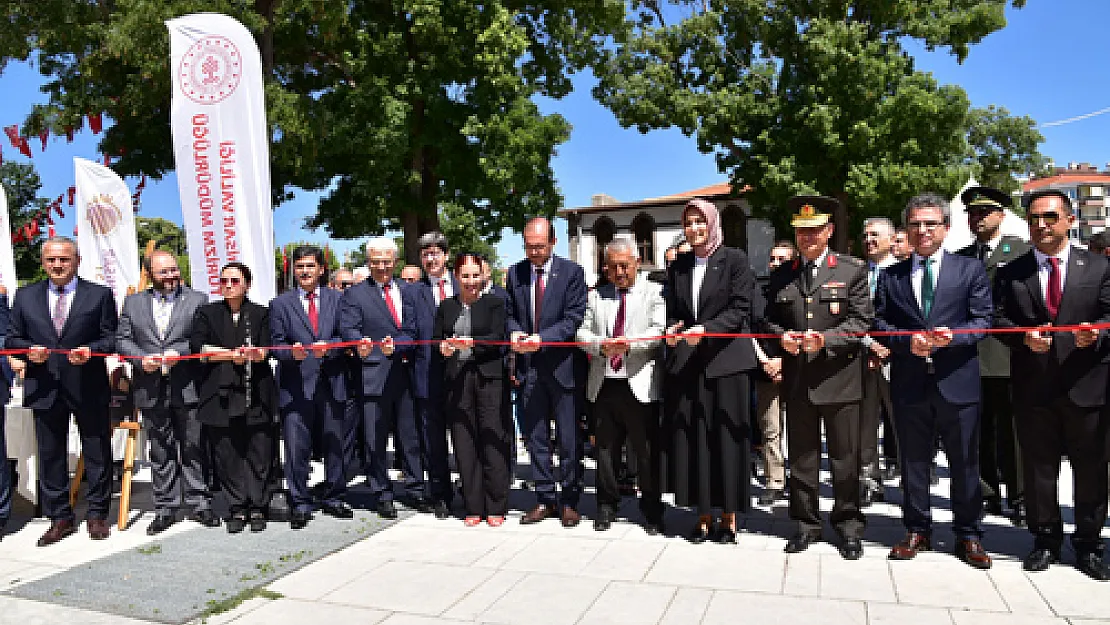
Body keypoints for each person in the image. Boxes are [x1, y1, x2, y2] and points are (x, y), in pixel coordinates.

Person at [993, 189, 1110, 581]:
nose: (1041, 225)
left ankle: (1090, 544)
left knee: (1091, 470)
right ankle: (1045, 539)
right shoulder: (1012, 271)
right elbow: (999, 320)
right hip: (1034, 388)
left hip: (1087, 386)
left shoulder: (1098, 267)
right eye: (1034, 219)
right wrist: (1023, 335)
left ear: (1070, 220)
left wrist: (1096, 334)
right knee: (1039, 470)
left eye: (1050, 217)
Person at [874, 193, 993, 570]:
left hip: (957, 380)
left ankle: (969, 534)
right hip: (910, 382)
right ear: (906, 229)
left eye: (930, 224)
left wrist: (952, 337)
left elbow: (982, 320)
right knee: (913, 461)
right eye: (915, 224)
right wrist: (905, 341)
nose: (923, 231)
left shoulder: (969, 269)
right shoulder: (892, 275)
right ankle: (916, 529)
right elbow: (879, 324)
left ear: (946, 227)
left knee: (965, 463)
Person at [763, 197, 870, 560]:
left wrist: (826, 340)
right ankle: (806, 524)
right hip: (799, 381)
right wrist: (781, 338)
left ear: (829, 231)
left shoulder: (852, 271)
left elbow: (860, 323)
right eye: (801, 230)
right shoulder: (783, 274)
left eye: (814, 230)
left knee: (845, 460)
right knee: (803, 460)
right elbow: (768, 321)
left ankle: (849, 526)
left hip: (840, 379)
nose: (807, 237)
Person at [8, 237, 117, 546]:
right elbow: (12, 339)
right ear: (44, 262)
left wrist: (90, 350)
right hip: (44, 386)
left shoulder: (99, 295)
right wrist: (29, 351)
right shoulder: (25, 296)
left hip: (88, 385)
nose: (57, 265)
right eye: (51, 260)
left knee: (97, 452)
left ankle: (97, 514)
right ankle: (60, 518)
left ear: (77, 261)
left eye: (64, 259)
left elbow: (112, 339)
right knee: (50, 455)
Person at [662, 198, 756, 544]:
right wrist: (673, 329)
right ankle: (702, 514)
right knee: (697, 437)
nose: (694, 229)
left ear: (713, 223)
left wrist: (707, 329)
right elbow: (674, 310)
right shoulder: (681, 265)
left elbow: (740, 309)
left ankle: (729, 517)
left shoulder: (735, 260)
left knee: (727, 439)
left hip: (728, 363)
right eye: (688, 223)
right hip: (691, 365)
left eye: (700, 221)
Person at [117, 250, 215, 534]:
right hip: (150, 387)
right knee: (160, 450)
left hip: (187, 386)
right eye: (164, 272)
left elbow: (200, 338)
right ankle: (166, 507)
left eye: (174, 270)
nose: (172, 275)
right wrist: (140, 358)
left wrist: (178, 352)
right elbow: (122, 339)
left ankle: (199, 502)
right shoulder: (133, 302)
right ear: (149, 274)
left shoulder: (197, 299)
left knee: (193, 446)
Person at [576, 238, 666, 534]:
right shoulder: (596, 296)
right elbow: (582, 333)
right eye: (613, 267)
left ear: (637, 262)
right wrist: (602, 346)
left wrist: (629, 346)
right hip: (604, 384)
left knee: (646, 451)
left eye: (625, 265)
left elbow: (658, 331)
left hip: (639, 382)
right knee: (605, 450)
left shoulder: (653, 292)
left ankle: (652, 509)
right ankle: (606, 505)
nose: (620, 272)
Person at [505, 217, 587, 527]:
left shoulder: (572, 273)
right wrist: (514, 333)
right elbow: (511, 313)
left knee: (568, 440)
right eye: (528, 246)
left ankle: (569, 501)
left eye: (539, 246)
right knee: (536, 439)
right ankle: (544, 498)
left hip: (562, 369)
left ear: (553, 242)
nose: (534, 252)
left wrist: (543, 339)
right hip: (530, 371)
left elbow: (574, 318)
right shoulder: (515, 273)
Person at [956, 186, 1031, 526]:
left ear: (1002, 214)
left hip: (1009, 355)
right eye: (972, 213)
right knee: (978, 431)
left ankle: (1021, 496)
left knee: (1014, 431)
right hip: (969, 357)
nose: (978, 218)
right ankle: (987, 494)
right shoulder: (960, 256)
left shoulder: (1020, 252)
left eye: (985, 212)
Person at [339, 237, 425, 519]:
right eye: (375, 261)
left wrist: (397, 345)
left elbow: (412, 330)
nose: (381, 267)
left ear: (395, 260)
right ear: (368, 262)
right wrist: (359, 343)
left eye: (386, 261)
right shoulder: (355, 294)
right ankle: (382, 492)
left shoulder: (408, 291)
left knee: (410, 436)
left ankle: (415, 488)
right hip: (373, 374)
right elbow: (348, 329)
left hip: (405, 375)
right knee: (375, 439)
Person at [270, 246, 353, 529]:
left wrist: (330, 350)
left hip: (332, 381)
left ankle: (334, 497)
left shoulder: (338, 300)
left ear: (321, 269)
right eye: (299, 266)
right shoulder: (280, 304)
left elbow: (346, 336)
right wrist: (288, 353)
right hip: (296, 385)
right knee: (296, 447)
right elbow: (275, 344)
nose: (304, 271)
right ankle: (300, 501)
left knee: (334, 443)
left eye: (309, 266)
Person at [191, 262, 277, 533]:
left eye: (235, 281)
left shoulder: (261, 314)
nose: (228, 285)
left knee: (258, 452)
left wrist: (254, 354)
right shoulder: (207, 313)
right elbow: (199, 349)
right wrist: (232, 355)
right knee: (227, 454)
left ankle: (258, 506)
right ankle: (236, 507)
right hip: (219, 394)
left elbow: (266, 349)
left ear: (247, 284)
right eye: (224, 281)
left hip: (256, 391)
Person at [434, 253, 511, 526]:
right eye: (465, 276)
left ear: (483, 276)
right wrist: (442, 348)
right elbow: (436, 339)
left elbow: (497, 339)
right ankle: (473, 505)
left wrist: (471, 343)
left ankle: (496, 505)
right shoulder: (446, 307)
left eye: (475, 275)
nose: (470, 281)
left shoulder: (495, 304)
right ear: (456, 277)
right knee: (464, 443)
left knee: (492, 440)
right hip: (457, 380)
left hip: (489, 379)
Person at [413, 232, 460, 518]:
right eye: (426, 254)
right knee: (433, 440)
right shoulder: (412, 292)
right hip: (427, 374)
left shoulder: (464, 283)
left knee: (466, 436)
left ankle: (471, 489)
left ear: (446, 255)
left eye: (436, 253)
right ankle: (440, 493)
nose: (431, 258)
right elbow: (408, 331)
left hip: (463, 372)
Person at [859, 217, 899, 506]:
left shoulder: (903, 273)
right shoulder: (855, 273)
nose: (869, 240)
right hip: (860, 358)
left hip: (897, 360)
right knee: (864, 424)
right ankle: (869, 481)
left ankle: (913, 478)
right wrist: (869, 344)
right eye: (865, 235)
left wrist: (888, 347)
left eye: (875, 235)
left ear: (892, 239)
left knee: (904, 423)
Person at [752, 240, 796, 506]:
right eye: (772, 259)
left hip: (794, 366)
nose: (776, 264)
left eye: (783, 259)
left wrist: (783, 360)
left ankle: (799, 476)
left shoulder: (801, 290)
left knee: (799, 427)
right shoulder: (759, 291)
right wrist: (765, 360)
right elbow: (750, 329)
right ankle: (774, 480)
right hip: (765, 367)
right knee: (770, 428)